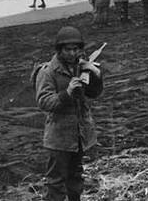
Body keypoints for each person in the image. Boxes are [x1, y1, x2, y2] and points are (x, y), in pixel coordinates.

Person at [34, 26, 103, 201]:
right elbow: (44, 101)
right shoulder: (48, 71)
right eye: (67, 50)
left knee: (75, 177)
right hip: (59, 136)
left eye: (76, 49)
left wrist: (95, 74)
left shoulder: (81, 67)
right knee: (56, 182)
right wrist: (67, 93)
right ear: (59, 50)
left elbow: (94, 93)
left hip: (79, 135)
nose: (72, 53)